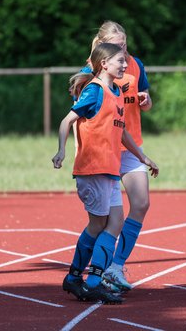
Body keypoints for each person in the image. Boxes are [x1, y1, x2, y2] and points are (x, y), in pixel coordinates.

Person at [52, 43, 159, 304]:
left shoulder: (116, 93)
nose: (125, 65)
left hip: (109, 170)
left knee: (115, 222)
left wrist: (142, 156)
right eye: (120, 61)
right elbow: (67, 120)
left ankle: (88, 280)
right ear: (104, 64)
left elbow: (122, 131)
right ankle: (80, 278)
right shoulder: (94, 91)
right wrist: (61, 151)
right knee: (99, 224)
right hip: (93, 168)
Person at [76, 21, 154, 292]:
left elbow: (144, 99)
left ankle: (115, 267)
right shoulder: (93, 69)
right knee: (104, 221)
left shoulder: (135, 65)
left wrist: (145, 100)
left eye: (124, 45)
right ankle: (83, 275)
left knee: (141, 204)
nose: (122, 50)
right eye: (116, 45)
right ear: (102, 46)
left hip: (130, 145)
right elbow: (79, 115)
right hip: (105, 149)